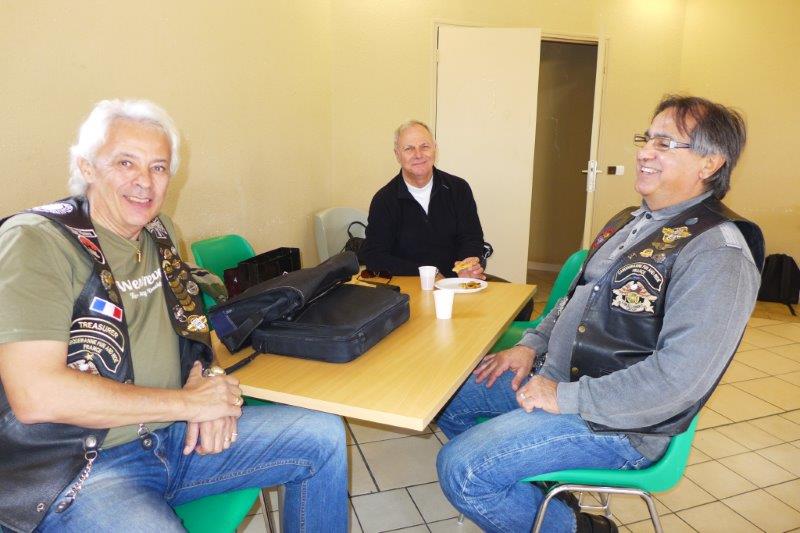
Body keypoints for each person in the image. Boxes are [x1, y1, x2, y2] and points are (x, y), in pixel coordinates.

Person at [0, 100, 348, 533]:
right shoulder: (36, 241)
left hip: (175, 438)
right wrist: (189, 404)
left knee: (322, 437)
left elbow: (190, 327)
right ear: (86, 166)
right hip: (85, 469)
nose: (144, 182)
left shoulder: (158, 230)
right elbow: (36, 395)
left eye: (159, 167)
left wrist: (207, 383)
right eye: (125, 162)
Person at [435, 95, 764, 532]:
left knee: (463, 470)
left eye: (665, 144)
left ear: (710, 163)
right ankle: (538, 486)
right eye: (646, 139)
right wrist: (530, 346)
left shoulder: (718, 254)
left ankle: (578, 528)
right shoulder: (631, 220)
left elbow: (678, 382)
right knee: (448, 398)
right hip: (557, 378)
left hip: (620, 424)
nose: (644, 153)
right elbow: (573, 300)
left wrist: (563, 398)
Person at [359, 120, 487, 280]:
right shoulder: (384, 200)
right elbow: (374, 256)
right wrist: (426, 273)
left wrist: (468, 265)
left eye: (425, 146)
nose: (418, 154)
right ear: (397, 155)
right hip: (409, 286)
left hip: (456, 282)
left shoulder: (458, 189)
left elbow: (472, 238)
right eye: (409, 148)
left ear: (435, 149)